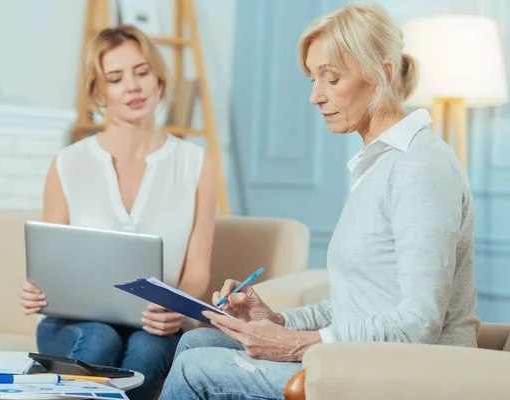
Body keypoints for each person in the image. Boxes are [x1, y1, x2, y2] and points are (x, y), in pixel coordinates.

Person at [159, 3, 480, 399]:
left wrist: (295, 344)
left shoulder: (420, 168)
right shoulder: (377, 164)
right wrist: (277, 320)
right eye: (313, 79)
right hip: (365, 361)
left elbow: (418, 323)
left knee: (195, 368)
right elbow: (359, 305)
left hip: (408, 377)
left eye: (331, 78)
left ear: (383, 74)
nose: (315, 97)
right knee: (196, 344)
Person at [18, 24, 217, 400]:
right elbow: (52, 262)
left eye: (142, 72)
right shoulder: (68, 164)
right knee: (99, 337)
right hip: (74, 326)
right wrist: (36, 290)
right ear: (98, 91)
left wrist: (174, 308)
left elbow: (198, 272)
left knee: (150, 345)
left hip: (155, 324)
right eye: (116, 78)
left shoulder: (196, 165)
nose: (133, 86)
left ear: (159, 79)